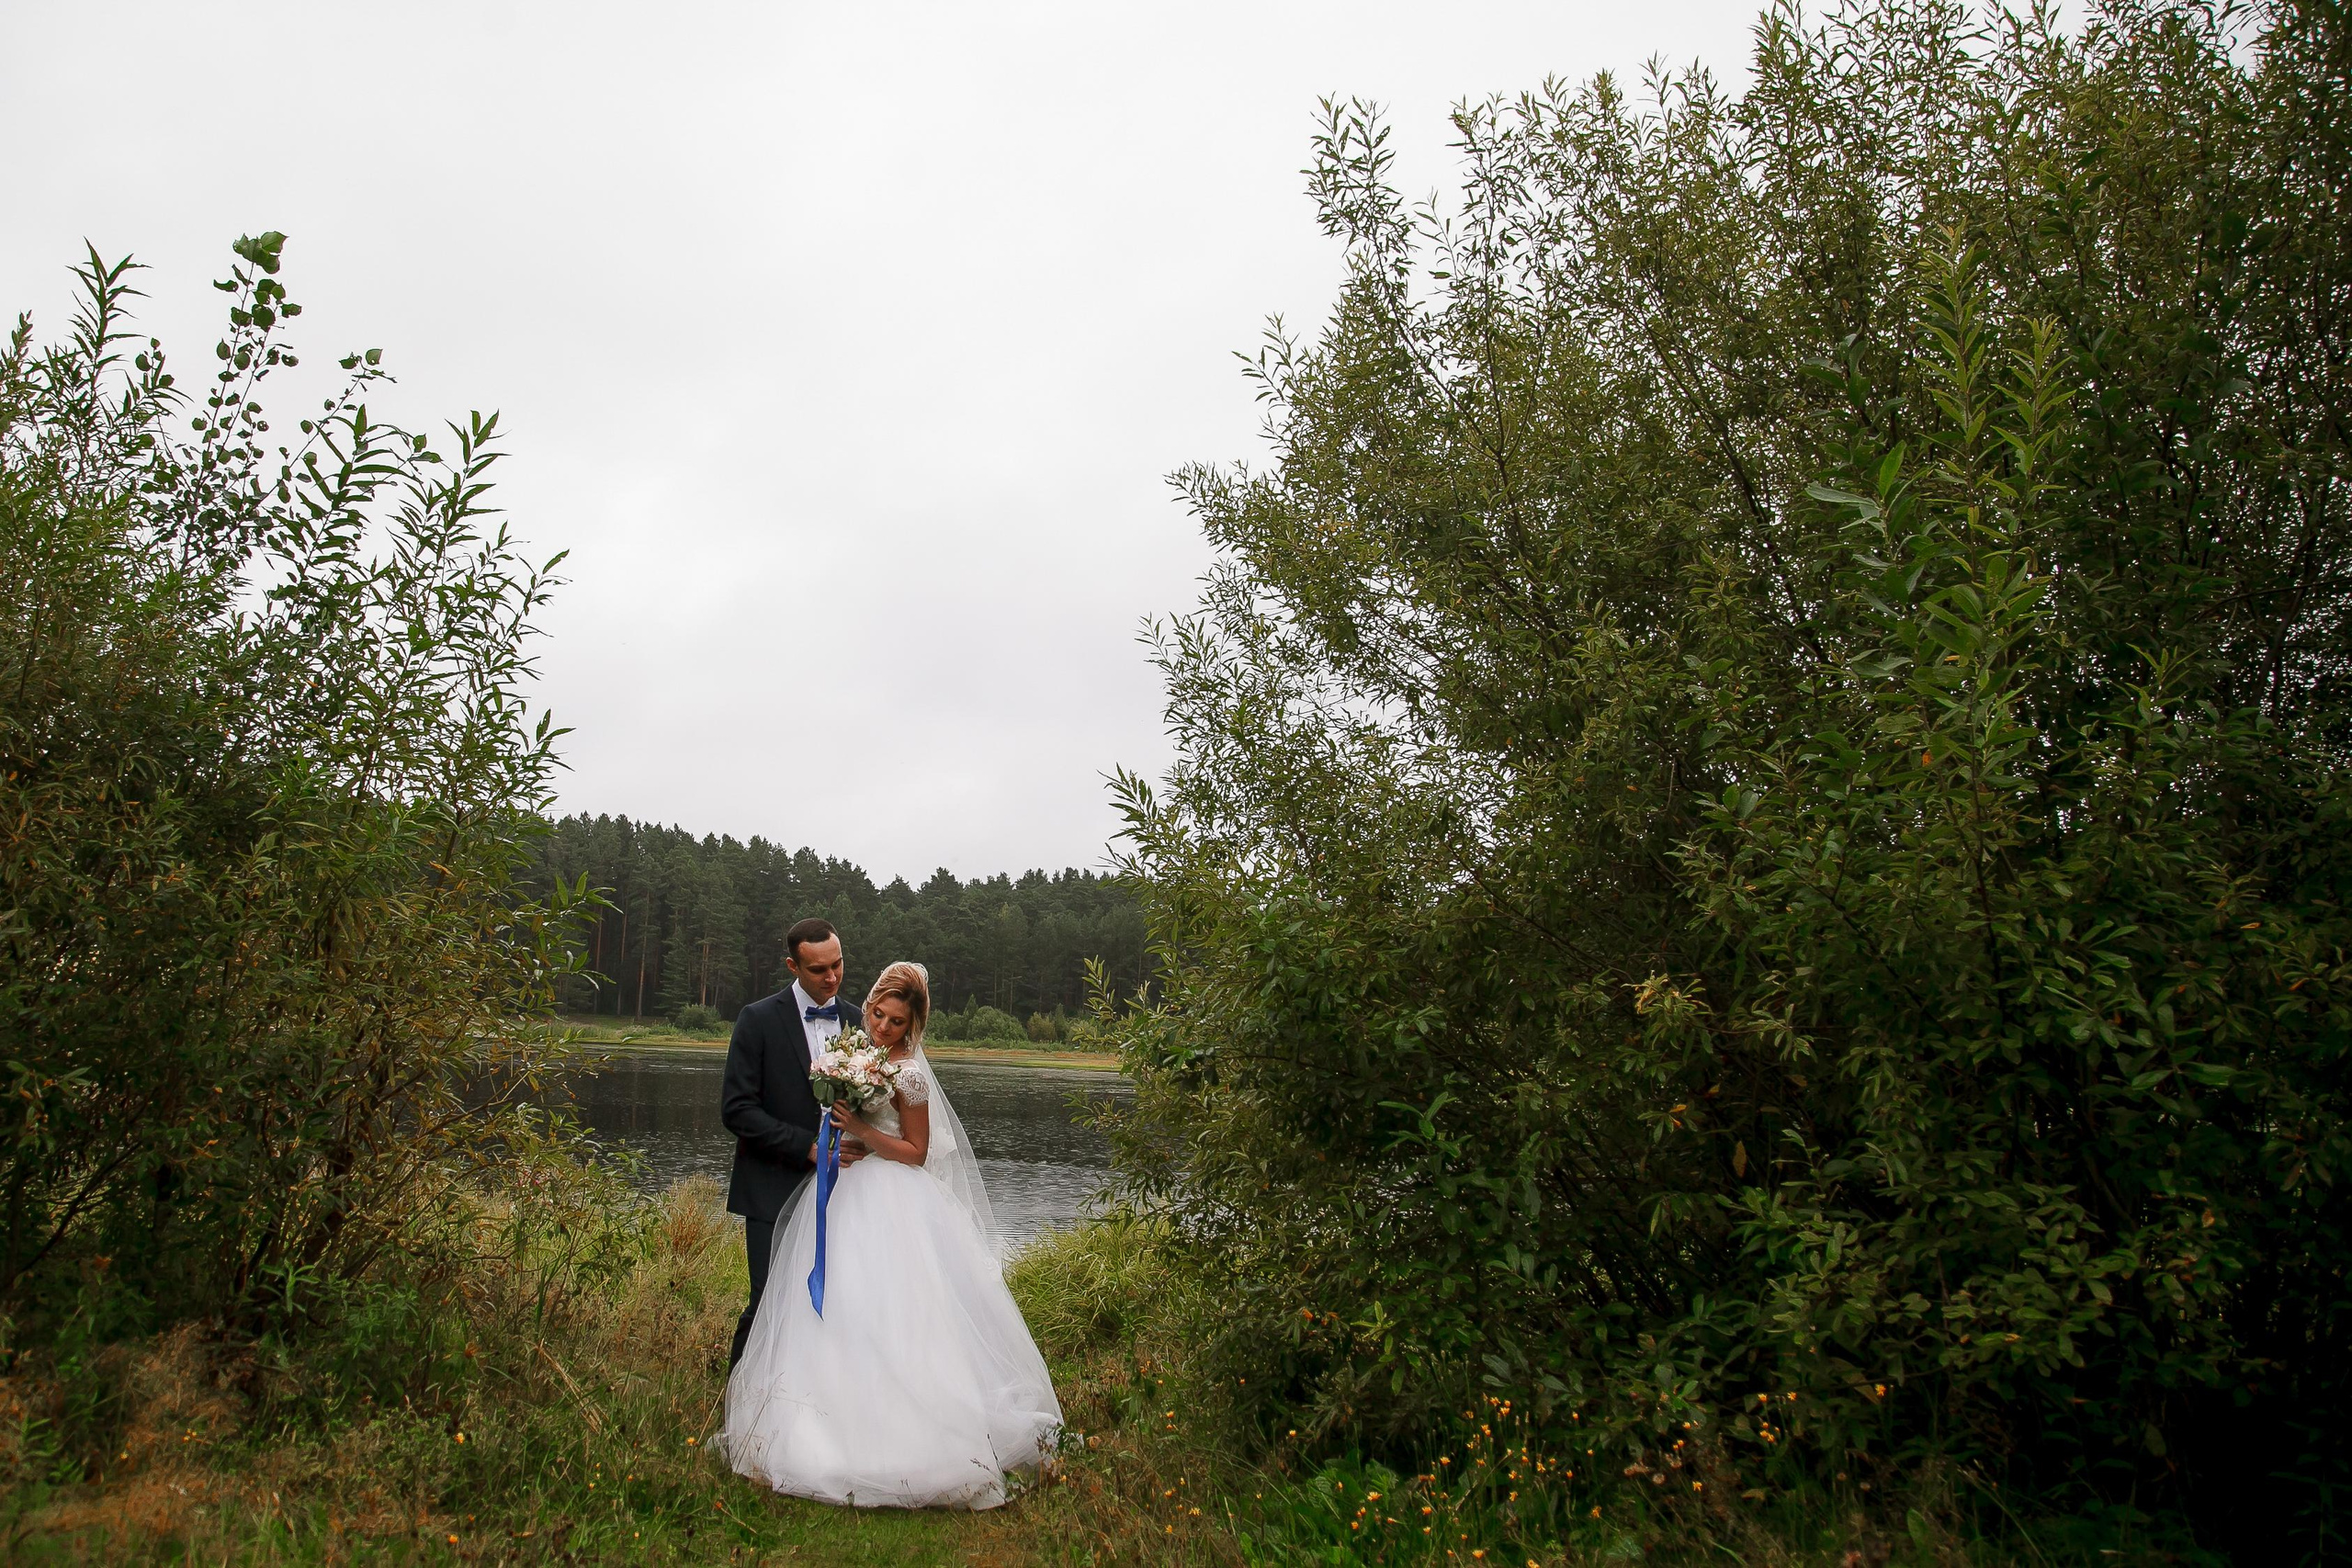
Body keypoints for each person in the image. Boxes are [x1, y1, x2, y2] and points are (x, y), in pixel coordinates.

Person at [720, 961, 1063, 1509]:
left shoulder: (908, 1074)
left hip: (895, 1202)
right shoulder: (859, 1052)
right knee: (838, 1310)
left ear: (913, 1026)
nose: (881, 1027)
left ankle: (913, 1443)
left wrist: (857, 1129)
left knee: (898, 1315)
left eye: (895, 1022)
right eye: (877, 1013)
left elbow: (917, 1152)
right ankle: (821, 1429)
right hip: (845, 1192)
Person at [721, 917, 867, 1368]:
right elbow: (738, 1110)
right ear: (792, 966)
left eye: (838, 965)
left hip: (845, 1190)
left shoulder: (857, 1020)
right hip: (773, 1185)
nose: (833, 977)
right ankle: (733, 1413)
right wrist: (807, 1146)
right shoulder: (758, 1019)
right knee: (767, 1298)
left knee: (834, 1302)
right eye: (819, 969)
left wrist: (863, 1137)